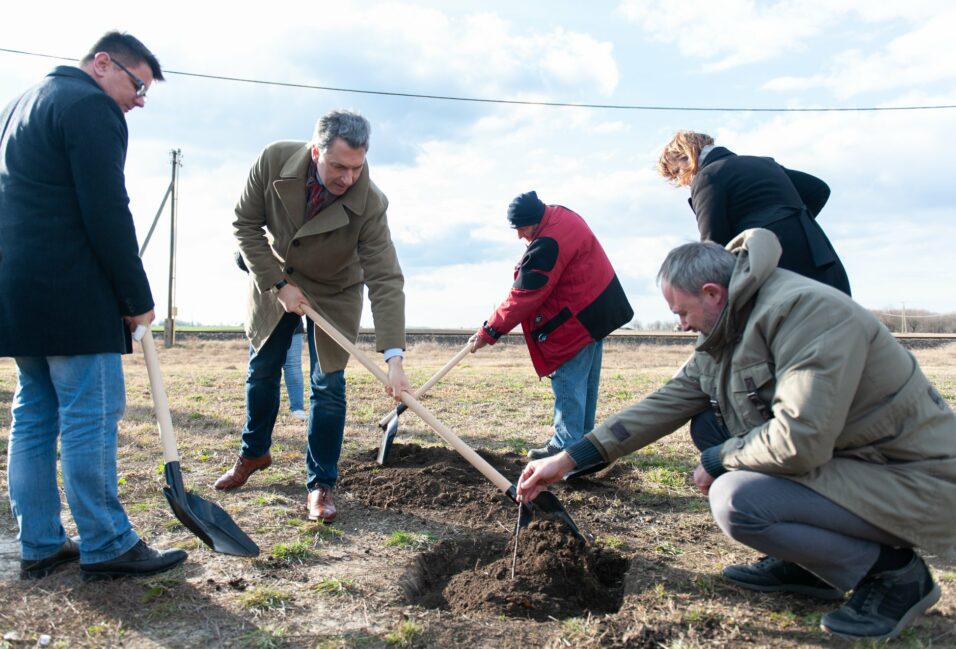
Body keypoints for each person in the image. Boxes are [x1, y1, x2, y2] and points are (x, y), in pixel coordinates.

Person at [517, 229, 956, 641]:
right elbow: (665, 403)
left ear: (712, 293)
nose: (681, 326)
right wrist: (569, 459)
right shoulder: (727, 325)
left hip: (913, 478)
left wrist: (719, 459)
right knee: (711, 430)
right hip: (852, 465)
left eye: (682, 312)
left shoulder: (807, 314)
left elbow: (800, 439)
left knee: (737, 500)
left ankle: (895, 576)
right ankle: (810, 566)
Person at [0, 31, 188, 580]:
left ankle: (38, 542)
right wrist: (135, 297)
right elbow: (107, 209)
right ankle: (107, 544)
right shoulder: (90, 106)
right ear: (102, 63)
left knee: (34, 415)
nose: (139, 99)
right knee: (90, 415)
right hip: (72, 294)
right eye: (137, 84)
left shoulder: (22, 103)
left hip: (19, 291)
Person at [218, 110, 412, 523]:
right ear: (315, 151)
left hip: (335, 290)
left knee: (328, 387)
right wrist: (278, 285)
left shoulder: (370, 203)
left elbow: (385, 278)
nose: (348, 178)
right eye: (338, 166)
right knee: (263, 369)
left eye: (357, 168)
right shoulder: (273, 161)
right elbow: (245, 224)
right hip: (277, 277)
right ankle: (254, 454)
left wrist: (394, 358)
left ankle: (320, 484)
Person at [469, 191, 633, 459]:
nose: (519, 236)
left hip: (574, 324)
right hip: (595, 313)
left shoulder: (548, 243)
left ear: (534, 221)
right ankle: (582, 447)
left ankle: (565, 449)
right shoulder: (561, 215)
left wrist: (489, 331)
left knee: (569, 383)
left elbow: (524, 295)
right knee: (585, 385)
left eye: (521, 228)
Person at [658, 131, 851, 296]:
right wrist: (792, 222)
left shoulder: (708, 176)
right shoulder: (765, 164)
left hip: (775, 268)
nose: (682, 182)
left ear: (687, 158)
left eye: (677, 174)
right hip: (820, 256)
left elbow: (713, 243)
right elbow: (818, 190)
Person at [235, 250, 308, 420]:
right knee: (262, 373)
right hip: (265, 320)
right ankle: (259, 427)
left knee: (291, 366)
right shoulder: (258, 250)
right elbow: (241, 257)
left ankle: (297, 407)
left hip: (293, 318)